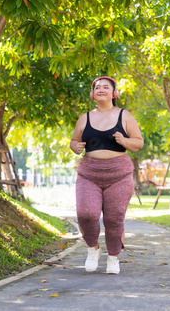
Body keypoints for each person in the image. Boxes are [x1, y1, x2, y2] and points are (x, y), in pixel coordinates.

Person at [70, 76, 144, 274]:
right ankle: (93, 248)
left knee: (114, 219)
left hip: (119, 174)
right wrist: (75, 147)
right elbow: (74, 141)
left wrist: (124, 140)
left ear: (114, 93)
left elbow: (138, 143)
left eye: (106, 87)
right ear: (93, 94)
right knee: (87, 214)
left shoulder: (125, 116)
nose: (101, 89)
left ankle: (113, 257)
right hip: (89, 173)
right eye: (97, 87)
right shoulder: (84, 118)